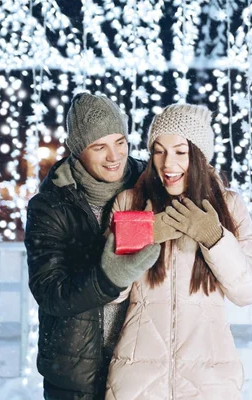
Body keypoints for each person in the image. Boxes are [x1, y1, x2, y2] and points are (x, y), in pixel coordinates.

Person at [106, 104, 252, 400]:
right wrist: (146, 234)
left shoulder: (229, 206)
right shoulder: (129, 202)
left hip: (209, 382)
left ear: (199, 155)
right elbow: (110, 291)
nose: (168, 163)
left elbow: (248, 292)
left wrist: (215, 238)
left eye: (181, 151)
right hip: (137, 382)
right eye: (159, 150)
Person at [24, 92, 161, 399]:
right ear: (76, 151)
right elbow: (50, 292)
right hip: (77, 372)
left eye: (120, 142)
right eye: (100, 146)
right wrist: (108, 278)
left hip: (144, 364)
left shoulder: (151, 185)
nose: (114, 156)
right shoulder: (50, 206)